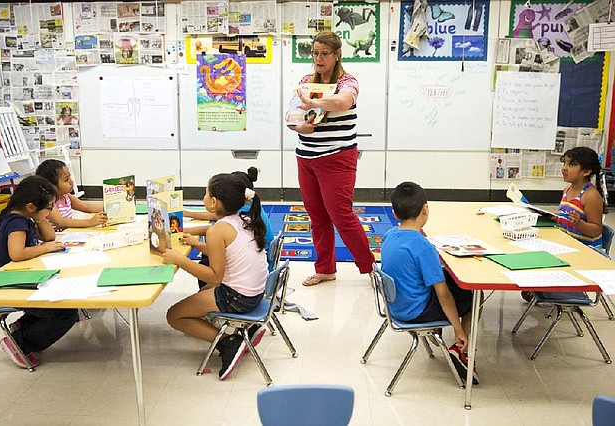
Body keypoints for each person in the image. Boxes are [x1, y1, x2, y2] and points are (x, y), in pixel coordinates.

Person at [285, 30, 374, 287]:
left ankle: (369, 269)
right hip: (307, 158)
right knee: (317, 216)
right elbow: (292, 118)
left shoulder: (347, 82)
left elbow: (343, 102)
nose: (319, 59)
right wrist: (299, 127)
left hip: (337, 158)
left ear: (337, 55)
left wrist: (314, 100)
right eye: (315, 53)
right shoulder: (305, 80)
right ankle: (325, 269)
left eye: (325, 54)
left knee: (341, 214)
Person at [163, 173, 268, 380]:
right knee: (202, 293)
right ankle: (235, 334)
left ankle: (228, 342)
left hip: (238, 298)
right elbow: (226, 253)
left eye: (206, 193)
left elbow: (215, 277)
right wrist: (196, 243)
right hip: (255, 293)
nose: (204, 197)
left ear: (213, 202)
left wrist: (179, 260)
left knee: (174, 315)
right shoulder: (241, 219)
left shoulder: (217, 230)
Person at [381, 182, 481, 384]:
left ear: (394, 213)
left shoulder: (388, 235)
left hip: (395, 306)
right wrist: (458, 329)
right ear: (426, 209)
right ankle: (462, 348)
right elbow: (443, 294)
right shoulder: (422, 246)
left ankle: (447, 339)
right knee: (472, 293)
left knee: (448, 282)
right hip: (416, 311)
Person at [0, 176, 77, 369]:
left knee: (65, 303)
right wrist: (46, 248)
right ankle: (19, 342)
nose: (51, 212)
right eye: (49, 207)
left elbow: (49, 236)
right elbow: (17, 254)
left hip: (27, 279)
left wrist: (41, 216)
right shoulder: (16, 222)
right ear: (30, 206)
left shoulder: (27, 217)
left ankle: (24, 326)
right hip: (14, 285)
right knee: (66, 313)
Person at [522, 147, 605, 303]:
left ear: (586, 171)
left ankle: (541, 289)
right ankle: (536, 288)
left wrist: (579, 223)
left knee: (540, 261)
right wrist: (552, 217)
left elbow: (596, 230)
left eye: (571, 164)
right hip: (568, 245)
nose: (564, 168)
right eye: (564, 163)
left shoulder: (591, 196)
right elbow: (565, 217)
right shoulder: (567, 190)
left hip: (585, 252)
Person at [183, 166, 275, 284]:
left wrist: (180, 258)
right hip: (257, 275)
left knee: (206, 264)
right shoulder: (245, 212)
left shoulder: (239, 215)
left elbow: (215, 275)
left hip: (249, 280)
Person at [35, 159, 107, 230]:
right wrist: (90, 222)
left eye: (70, 177)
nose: (71, 181)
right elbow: (60, 222)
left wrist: (109, 207)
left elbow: (86, 207)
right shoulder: (49, 203)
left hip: (68, 233)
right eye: (66, 180)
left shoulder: (66, 196)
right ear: (51, 185)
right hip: (55, 238)